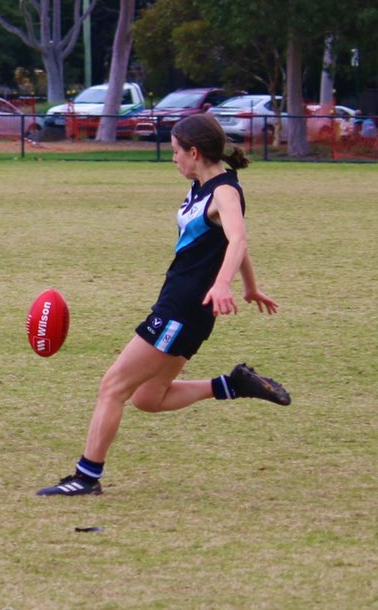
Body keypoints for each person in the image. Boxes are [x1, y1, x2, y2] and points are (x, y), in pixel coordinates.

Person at [37, 113, 291, 496]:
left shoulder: (224, 191)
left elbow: (238, 239)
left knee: (113, 387)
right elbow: (230, 243)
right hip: (184, 307)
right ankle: (232, 384)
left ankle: (86, 477)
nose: (173, 159)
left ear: (194, 152)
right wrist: (250, 288)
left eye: (176, 152)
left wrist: (224, 285)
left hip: (182, 309)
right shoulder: (201, 185)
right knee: (148, 398)